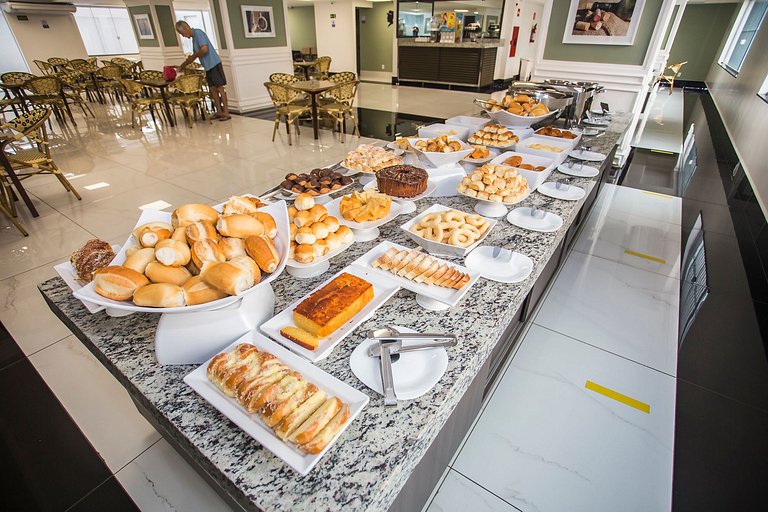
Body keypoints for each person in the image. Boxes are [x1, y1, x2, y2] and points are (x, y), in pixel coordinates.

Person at [175, 21, 230, 121]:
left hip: (214, 64)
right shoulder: (194, 38)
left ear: (185, 28)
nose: (183, 36)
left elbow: (204, 49)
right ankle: (219, 112)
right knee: (212, 89)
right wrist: (181, 67)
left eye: (182, 33)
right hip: (208, 67)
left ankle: (226, 112)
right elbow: (193, 57)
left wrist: (194, 56)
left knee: (220, 88)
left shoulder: (198, 33)